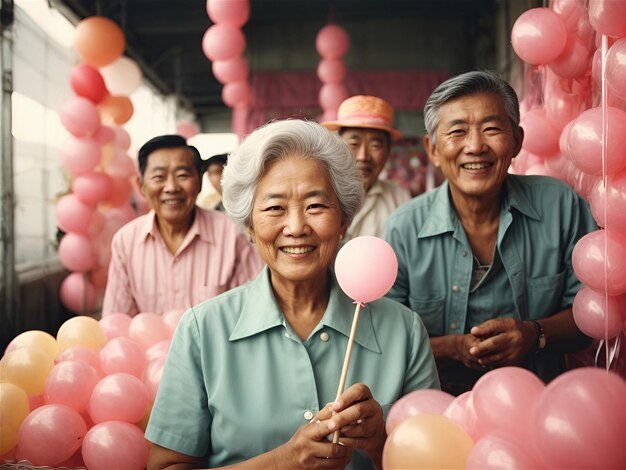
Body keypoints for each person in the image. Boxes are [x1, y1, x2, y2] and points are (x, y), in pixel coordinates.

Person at [145, 120, 440, 469]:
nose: (297, 227)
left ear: (344, 221)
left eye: (316, 206)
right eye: (274, 208)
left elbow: (436, 457)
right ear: (250, 227)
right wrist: (285, 460)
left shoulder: (404, 330)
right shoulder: (201, 330)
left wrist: (380, 444)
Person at [381, 70, 598, 396]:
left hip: (541, 409)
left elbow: (592, 315)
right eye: (457, 132)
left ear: (517, 141)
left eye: (492, 129)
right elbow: (384, 338)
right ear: (433, 149)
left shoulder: (560, 206)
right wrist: (452, 347)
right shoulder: (403, 229)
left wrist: (533, 334)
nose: (475, 146)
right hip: (434, 417)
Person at [101, 135, 263, 317]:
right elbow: (117, 320)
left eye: (182, 175)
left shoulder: (233, 233)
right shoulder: (125, 242)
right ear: (141, 186)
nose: (171, 187)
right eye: (159, 177)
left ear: (200, 182)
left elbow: (253, 309)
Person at [322, 95, 411, 239]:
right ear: (338, 148)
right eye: (354, 144)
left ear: (388, 151)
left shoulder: (400, 199)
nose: (363, 156)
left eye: (375, 146)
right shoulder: (319, 193)